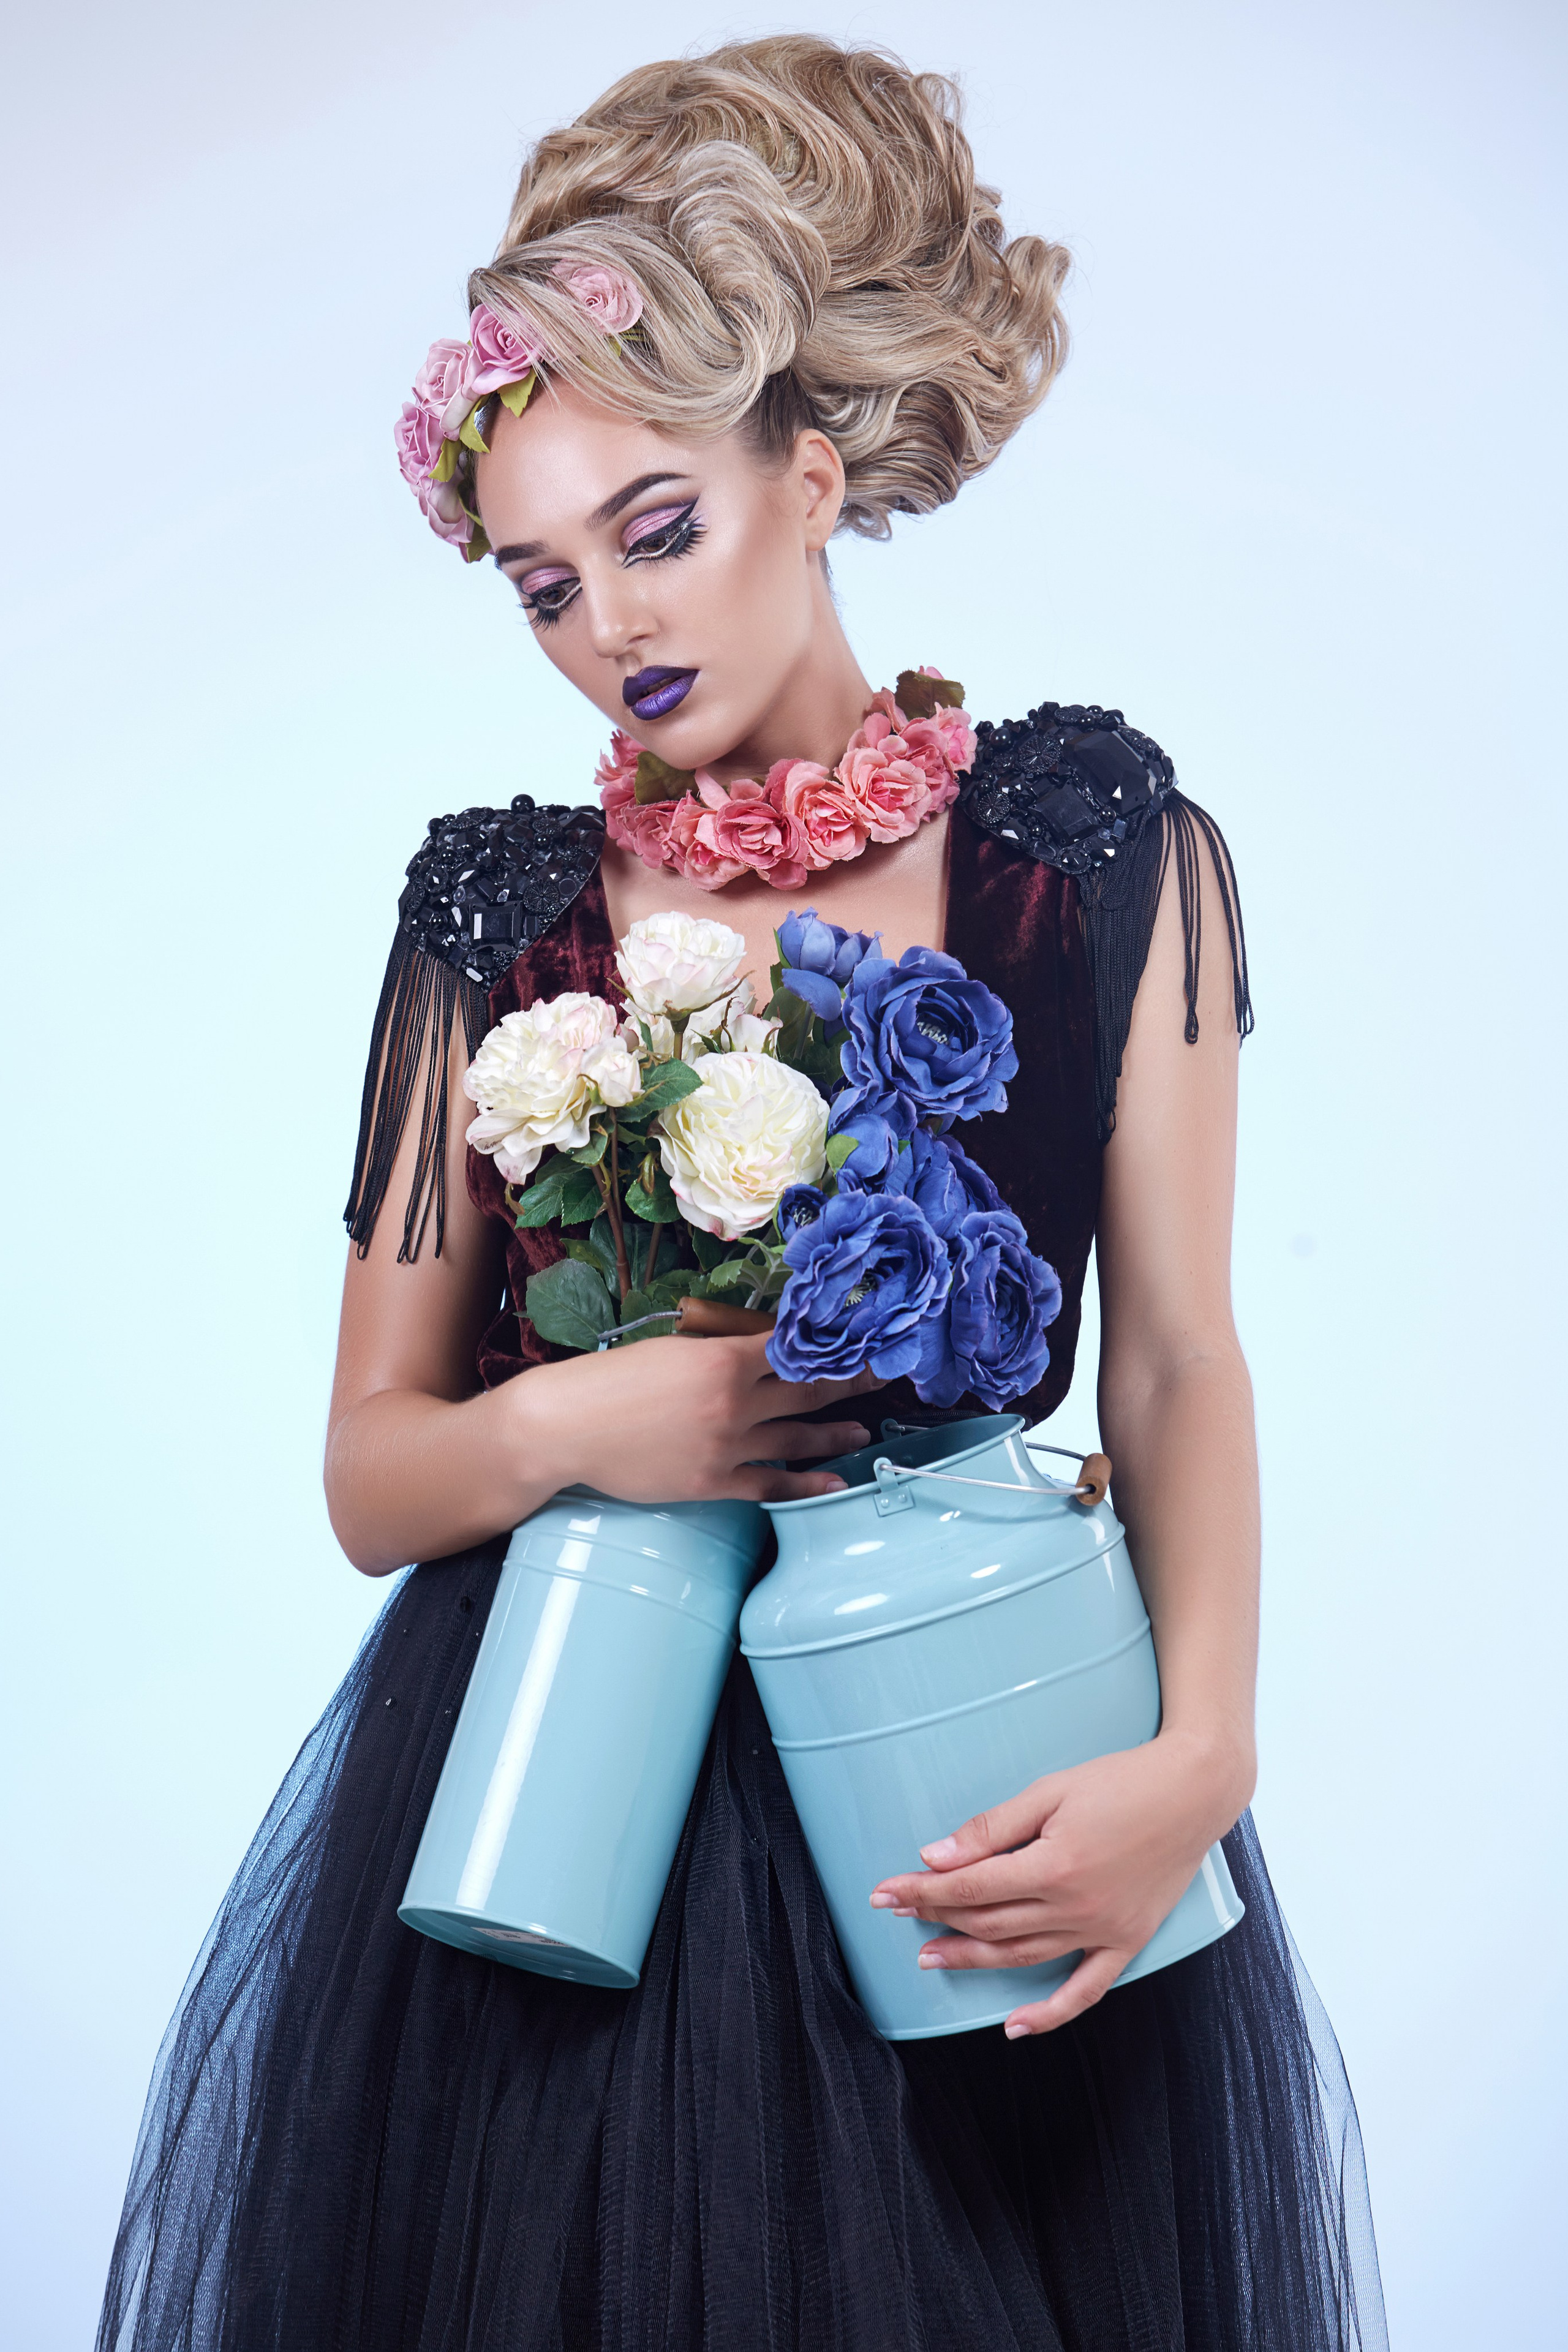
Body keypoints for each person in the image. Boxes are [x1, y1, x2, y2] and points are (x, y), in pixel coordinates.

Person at [100, 37, 1384, 2351]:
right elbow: (372, 1474)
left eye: (656, 527)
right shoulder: (495, 919)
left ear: (813, 467)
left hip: (978, 1750)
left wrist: (1203, 1756)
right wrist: (598, 1430)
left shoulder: (1093, 856)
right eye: (539, 583)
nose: (610, 621)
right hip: (563, 1800)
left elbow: (1184, 1354)